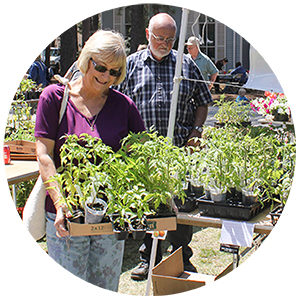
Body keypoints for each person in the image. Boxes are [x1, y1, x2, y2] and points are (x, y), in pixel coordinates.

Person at [34, 30, 146, 291]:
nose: (107, 77)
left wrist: (163, 196)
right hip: (66, 216)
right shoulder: (54, 98)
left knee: (106, 287)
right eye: (101, 67)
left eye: (115, 72)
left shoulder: (124, 106)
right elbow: (44, 155)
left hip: (110, 216)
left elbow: (142, 156)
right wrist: (60, 203)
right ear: (87, 59)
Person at [117, 13, 213, 281]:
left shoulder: (186, 65)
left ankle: (181, 257)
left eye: (170, 39)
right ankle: (149, 259)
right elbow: (118, 105)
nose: (165, 43)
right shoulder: (131, 65)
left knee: (179, 207)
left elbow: (203, 100)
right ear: (148, 34)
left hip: (180, 151)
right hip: (144, 154)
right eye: (159, 38)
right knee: (150, 208)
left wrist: (197, 131)